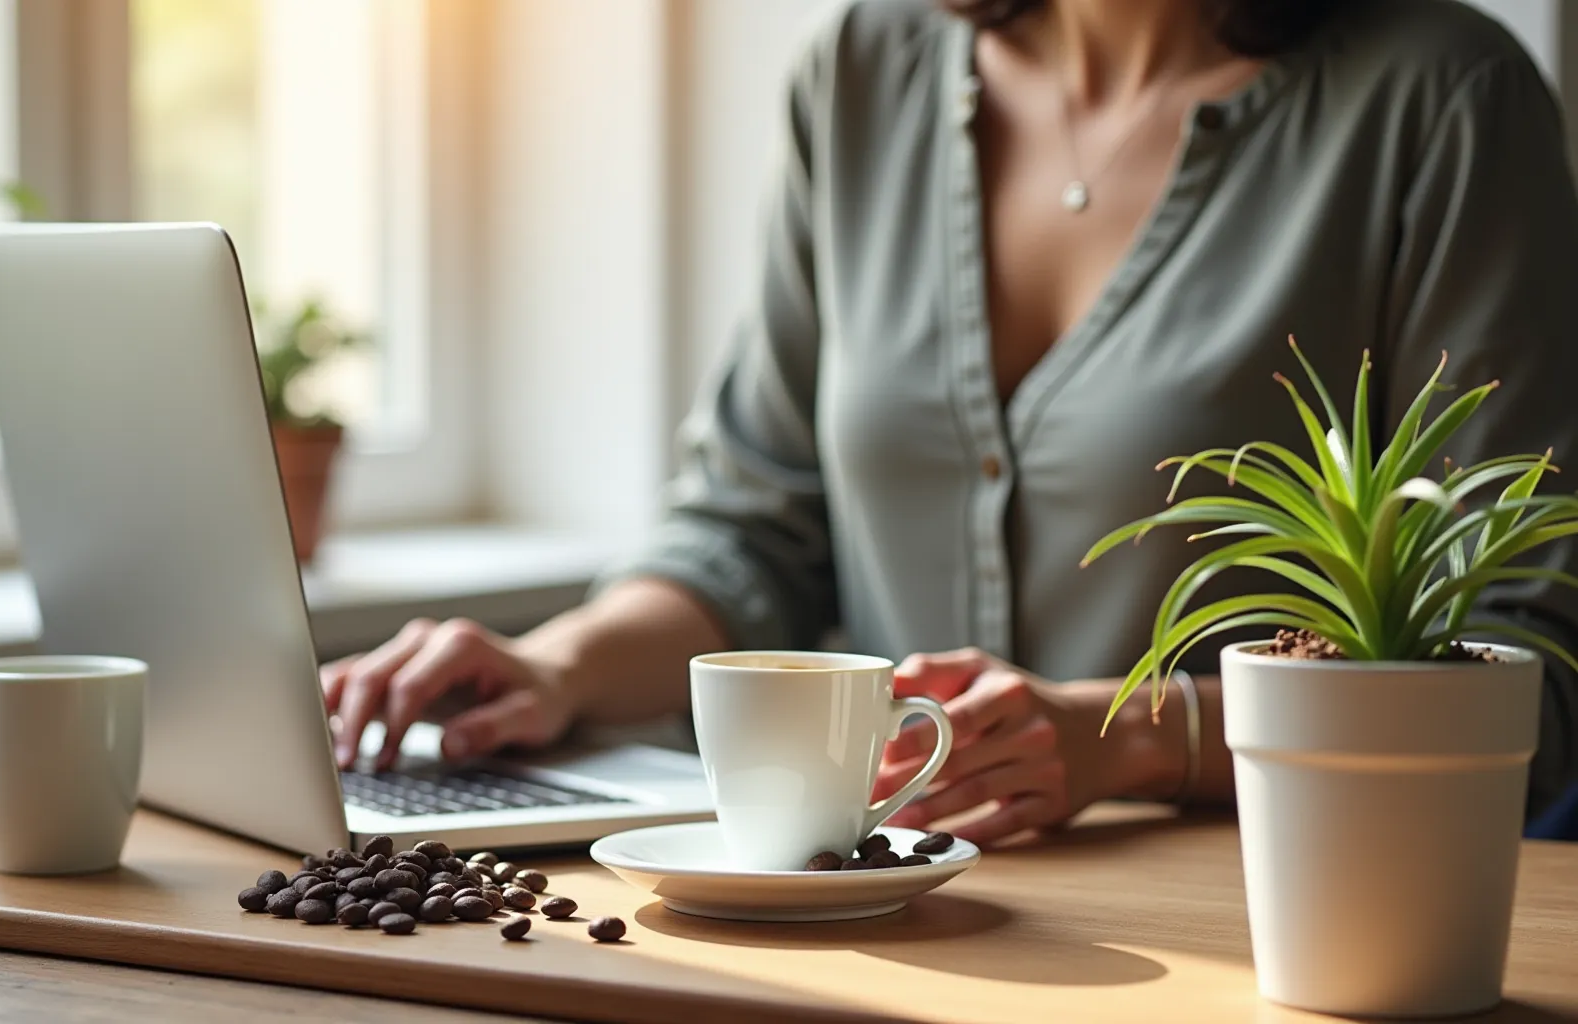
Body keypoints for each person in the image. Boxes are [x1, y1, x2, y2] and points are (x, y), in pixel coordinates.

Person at [322, 0, 1578, 846]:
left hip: (1268, 922)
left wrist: (1122, 739)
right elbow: (753, 530)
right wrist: (558, 665)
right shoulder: (865, 69)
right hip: (879, 914)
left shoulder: (1446, 100)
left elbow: (1523, 669)